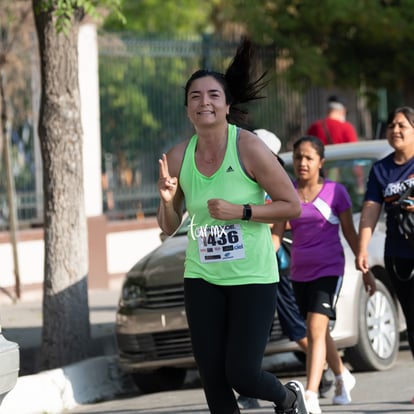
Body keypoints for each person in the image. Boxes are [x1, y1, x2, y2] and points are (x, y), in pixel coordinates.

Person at [157, 38, 308, 414]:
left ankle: (288, 398)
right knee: (212, 376)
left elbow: (294, 206)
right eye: (195, 96)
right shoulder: (178, 157)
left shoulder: (250, 148)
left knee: (241, 373)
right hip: (202, 275)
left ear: (226, 105)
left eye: (212, 95)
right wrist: (165, 200)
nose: (203, 102)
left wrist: (240, 212)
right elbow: (170, 226)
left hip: (252, 276)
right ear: (187, 107)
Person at [273, 135, 376, 413]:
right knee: (317, 331)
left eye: (308, 157)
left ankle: (310, 393)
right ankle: (343, 375)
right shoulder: (287, 193)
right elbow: (277, 234)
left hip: (330, 268)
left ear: (321, 162)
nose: (302, 163)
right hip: (299, 273)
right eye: (298, 157)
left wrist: (363, 267)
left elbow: (350, 233)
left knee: (316, 328)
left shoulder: (336, 192)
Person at [356, 106, 414, 405]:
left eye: (402, 125)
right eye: (391, 125)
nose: (396, 130)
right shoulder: (381, 170)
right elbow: (370, 210)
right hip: (399, 254)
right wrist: (362, 248)